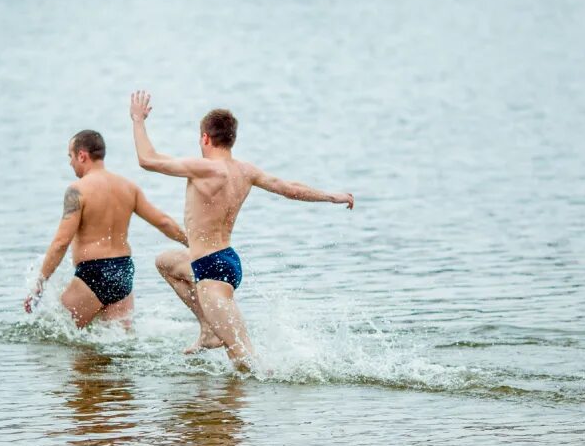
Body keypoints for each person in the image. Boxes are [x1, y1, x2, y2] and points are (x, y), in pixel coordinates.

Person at [129, 91, 354, 371]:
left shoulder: (205, 168)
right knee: (166, 262)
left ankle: (265, 397)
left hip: (212, 272)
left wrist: (138, 120)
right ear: (231, 139)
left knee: (244, 359)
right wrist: (331, 196)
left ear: (205, 139)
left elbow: (147, 159)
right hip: (222, 260)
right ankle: (208, 329)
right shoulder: (245, 171)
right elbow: (290, 188)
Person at [24, 129, 187, 327]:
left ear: (82, 156)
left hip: (93, 273)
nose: (70, 162)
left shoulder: (77, 190)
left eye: (70, 156)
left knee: (53, 334)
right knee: (116, 347)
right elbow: (164, 222)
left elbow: (60, 243)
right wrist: (192, 243)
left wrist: (40, 282)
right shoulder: (129, 187)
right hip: (123, 273)